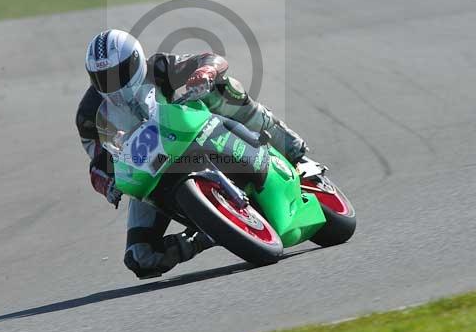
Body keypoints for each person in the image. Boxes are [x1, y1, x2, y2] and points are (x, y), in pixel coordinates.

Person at [75, 29, 310, 279]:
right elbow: (98, 163)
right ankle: (205, 235)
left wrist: (205, 72)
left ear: (136, 61)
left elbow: (210, 58)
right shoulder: (88, 115)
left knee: (223, 89)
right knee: (140, 257)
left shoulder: (159, 67)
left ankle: (292, 149)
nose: (112, 83)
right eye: (102, 77)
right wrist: (107, 183)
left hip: (189, 130)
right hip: (150, 168)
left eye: (118, 73)